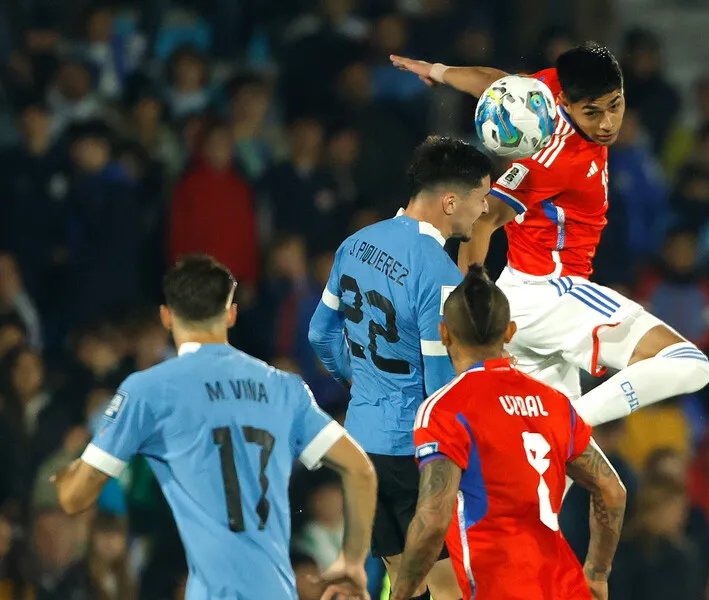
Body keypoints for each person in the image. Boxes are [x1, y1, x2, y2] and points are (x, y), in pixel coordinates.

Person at [390, 43, 709, 428]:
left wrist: (439, 70)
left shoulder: (547, 88)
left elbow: (494, 83)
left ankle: (553, 434)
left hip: (524, 302)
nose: (608, 123)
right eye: (592, 113)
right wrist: (473, 295)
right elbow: (485, 217)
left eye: (616, 105)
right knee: (689, 364)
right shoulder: (553, 158)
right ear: (566, 101)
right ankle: (567, 423)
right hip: (552, 294)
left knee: (544, 464)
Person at [51, 254, 377, 600]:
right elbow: (361, 471)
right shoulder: (285, 388)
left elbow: (75, 498)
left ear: (166, 316)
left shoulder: (150, 390)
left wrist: (68, 474)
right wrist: (353, 562)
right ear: (231, 313)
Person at [308, 136, 493, 600]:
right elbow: (439, 386)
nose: (485, 208)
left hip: (364, 441)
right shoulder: (440, 274)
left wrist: (355, 377)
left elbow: (320, 334)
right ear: (451, 201)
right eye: (481, 197)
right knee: (452, 589)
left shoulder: (355, 243)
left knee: (405, 583)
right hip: (415, 451)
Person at [388, 265, 627, 600]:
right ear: (511, 331)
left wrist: (401, 593)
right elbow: (611, 489)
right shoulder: (554, 403)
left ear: (444, 333)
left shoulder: (444, 409)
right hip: (567, 588)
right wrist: (598, 574)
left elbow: (433, 518)